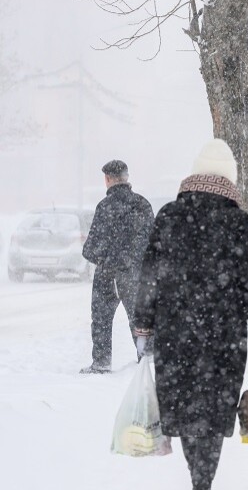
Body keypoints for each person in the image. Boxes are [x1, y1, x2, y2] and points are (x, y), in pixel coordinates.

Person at [132, 139, 248, 490]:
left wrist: (144, 326)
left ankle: (197, 476)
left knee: (186, 412)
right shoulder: (238, 222)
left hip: (176, 333)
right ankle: (204, 479)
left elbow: (149, 276)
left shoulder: (170, 215)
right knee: (212, 416)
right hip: (222, 338)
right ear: (228, 178)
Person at [79, 159, 154, 374]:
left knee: (101, 319)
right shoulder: (142, 204)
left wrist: (106, 257)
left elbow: (90, 249)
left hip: (107, 274)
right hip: (135, 274)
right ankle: (147, 360)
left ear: (108, 179)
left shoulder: (104, 207)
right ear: (126, 178)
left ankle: (101, 363)